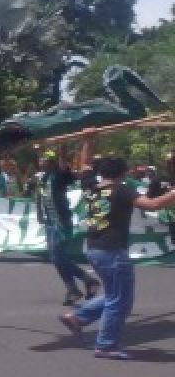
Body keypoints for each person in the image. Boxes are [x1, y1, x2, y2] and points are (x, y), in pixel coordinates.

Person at [60, 156, 175, 359]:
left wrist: (87, 139)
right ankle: (105, 345)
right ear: (122, 173)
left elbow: (85, 166)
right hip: (112, 251)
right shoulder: (121, 189)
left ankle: (77, 318)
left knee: (116, 296)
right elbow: (153, 205)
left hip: (95, 249)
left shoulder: (91, 187)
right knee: (120, 300)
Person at [36, 149, 100, 306]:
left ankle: (88, 280)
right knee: (55, 258)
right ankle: (72, 289)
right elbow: (39, 196)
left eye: (44, 159)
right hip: (50, 222)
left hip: (61, 222)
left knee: (58, 256)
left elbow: (68, 174)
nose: (41, 162)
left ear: (52, 162)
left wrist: (62, 154)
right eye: (40, 159)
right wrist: (39, 213)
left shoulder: (59, 176)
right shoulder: (42, 178)